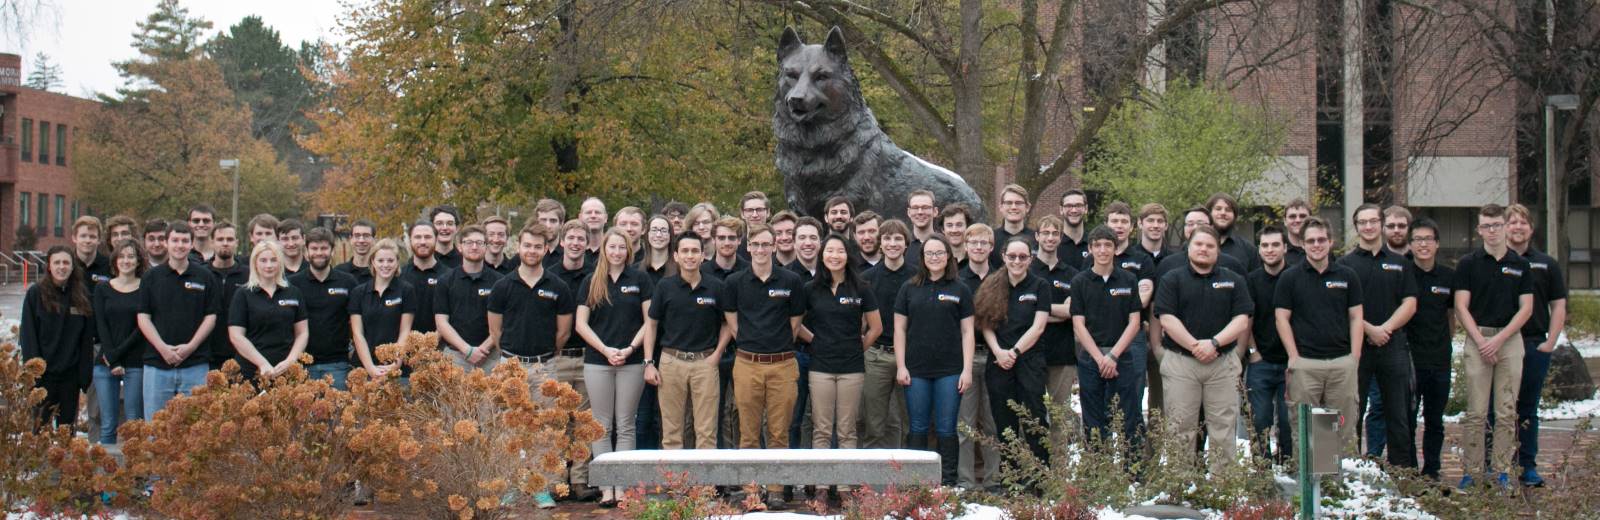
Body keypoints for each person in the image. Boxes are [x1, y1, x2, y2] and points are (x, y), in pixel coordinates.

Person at [486, 223, 577, 509]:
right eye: (527, 245)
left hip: (545, 368)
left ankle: (541, 488)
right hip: (510, 366)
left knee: (545, 430)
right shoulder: (502, 286)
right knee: (509, 430)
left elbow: (562, 332)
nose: (532, 250)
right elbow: (496, 332)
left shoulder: (557, 287)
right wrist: (511, 358)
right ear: (519, 247)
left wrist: (544, 356)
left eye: (538, 246)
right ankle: (510, 486)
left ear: (546, 249)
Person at [721, 222, 806, 510]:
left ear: (774, 246)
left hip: (782, 364)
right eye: (755, 245)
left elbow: (795, 323)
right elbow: (732, 321)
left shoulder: (791, 281)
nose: (760, 249)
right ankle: (751, 489)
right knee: (748, 431)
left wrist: (775, 344)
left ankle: (776, 489)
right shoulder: (734, 282)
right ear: (748, 247)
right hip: (747, 364)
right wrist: (750, 342)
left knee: (779, 431)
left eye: (765, 244)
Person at [1154, 225, 1252, 475]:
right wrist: (1196, 346)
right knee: (1180, 427)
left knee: (1223, 426)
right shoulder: (1172, 279)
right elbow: (1166, 318)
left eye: (1210, 246)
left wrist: (1214, 343)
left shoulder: (1233, 279)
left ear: (1218, 251)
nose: (1204, 249)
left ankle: (1223, 485)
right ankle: (1179, 484)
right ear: (1189, 247)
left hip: (1222, 363)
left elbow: (1241, 319)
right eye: (1199, 244)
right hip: (1181, 362)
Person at [1454, 203, 1533, 489]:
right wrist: (1481, 340)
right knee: (1476, 411)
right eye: (1486, 226)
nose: (1492, 231)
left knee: (1506, 410)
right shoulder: (1468, 264)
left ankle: (1501, 471)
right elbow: (1461, 306)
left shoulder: (1520, 264)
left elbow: (1526, 309)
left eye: (1497, 225)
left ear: (1506, 226)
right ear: (1479, 230)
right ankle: (1472, 472)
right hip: (1478, 338)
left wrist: (1499, 340)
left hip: (1509, 339)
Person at [798, 234, 882, 500]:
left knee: (847, 429)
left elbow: (876, 327)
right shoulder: (810, 288)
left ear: (848, 255)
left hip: (851, 368)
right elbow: (795, 323)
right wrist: (816, 342)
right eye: (830, 251)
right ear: (823, 256)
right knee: (821, 428)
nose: (834, 255)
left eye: (840, 251)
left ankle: (845, 488)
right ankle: (822, 487)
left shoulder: (861, 288)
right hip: (820, 366)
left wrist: (858, 348)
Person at [573, 229, 651, 506]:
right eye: (612, 247)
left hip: (630, 360)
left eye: (621, 247)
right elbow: (580, 324)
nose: (616, 252)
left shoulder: (640, 279)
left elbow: (649, 321)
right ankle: (607, 487)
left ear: (628, 251)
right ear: (604, 249)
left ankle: (624, 486)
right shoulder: (590, 281)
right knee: (601, 426)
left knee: (626, 424)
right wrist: (605, 350)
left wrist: (630, 348)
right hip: (598, 362)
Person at [1274, 216, 1363, 456]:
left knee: (1340, 428)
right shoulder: (1290, 278)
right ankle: (1307, 486)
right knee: (1305, 429)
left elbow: (1356, 317)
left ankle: (1338, 485)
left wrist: (1354, 357)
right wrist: (1294, 357)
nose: (1316, 245)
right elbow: (1282, 319)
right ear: (1302, 244)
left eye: (1321, 239)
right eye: (1310, 240)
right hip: (1305, 364)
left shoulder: (1347, 276)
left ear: (1331, 242)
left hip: (1341, 363)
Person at [1337, 204, 1417, 468]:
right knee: (1352, 411)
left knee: (1398, 412)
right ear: (1356, 226)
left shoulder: (1400, 263)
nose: (1368, 227)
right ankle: (1351, 467)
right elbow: (1342, 309)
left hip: (1393, 346)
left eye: (1373, 221)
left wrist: (1386, 329)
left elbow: (1410, 303)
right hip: (1357, 348)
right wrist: (1369, 329)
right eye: (1363, 222)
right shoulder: (1344, 265)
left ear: (1381, 224)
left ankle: (1402, 471)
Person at [894, 235, 975, 487]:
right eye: (929, 253)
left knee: (946, 428)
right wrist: (901, 366)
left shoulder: (960, 289)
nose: (934, 258)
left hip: (950, 370)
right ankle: (915, 483)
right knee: (917, 427)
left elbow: (968, 332)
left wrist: (967, 370)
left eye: (939, 253)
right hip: (916, 370)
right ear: (922, 257)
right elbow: (899, 330)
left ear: (948, 256)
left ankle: (948, 482)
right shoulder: (909, 288)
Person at [974, 237, 1051, 480]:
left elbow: (1038, 327)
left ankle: (1040, 479)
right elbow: (985, 323)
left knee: (1034, 419)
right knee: (1004, 424)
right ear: (1004, 257)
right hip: (998, 362)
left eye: (1022, 257)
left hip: (1029, 361)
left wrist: (1015, 352)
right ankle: (1012, 480)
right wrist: (999, 352)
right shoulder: (990, 284)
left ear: (1030, 259)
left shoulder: (1040, 286)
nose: (1017, 261)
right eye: (1012, 256)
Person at [644, 233, 730, 451]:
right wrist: (648, 363)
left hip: (705, 362)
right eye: (685, 251)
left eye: (694, 251)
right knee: (671, 432)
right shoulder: (665, 286)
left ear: (703, 256)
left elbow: (727, 324)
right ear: (676, 255)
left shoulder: (716, 287)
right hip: (671, 361)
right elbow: (651, 325)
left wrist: (718, 353)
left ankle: (703, 486)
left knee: (706, 431)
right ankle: (676, 485)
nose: (690, 256)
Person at [1502, 203, 1565, 486]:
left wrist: (1550, 341)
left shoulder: (1546, 263)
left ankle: (1527, 465)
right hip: (1500, 345)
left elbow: (1559, 305)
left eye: (1523, 222)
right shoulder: (1493, 262)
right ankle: (1498, 466)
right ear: (1505, 227)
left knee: (1527, 409)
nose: (1517, 227)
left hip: (1533, 344)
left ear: (1531, 228)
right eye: (1512, 222)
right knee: (1499, 409)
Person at [138, 222, 222, 419]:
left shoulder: (205, 276)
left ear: (192, 244)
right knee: (155, 430)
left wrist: (190, 347)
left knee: (195, 429)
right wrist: (163, 349)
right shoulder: (151, 277)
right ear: (167, 243)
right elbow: (143, 317)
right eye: (175, 240)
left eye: (185, 241)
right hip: (157, 364)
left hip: (195, 364)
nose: (179, 245)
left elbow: (211, 316)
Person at [1071, 227, 1144, 446]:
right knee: (1093, 419)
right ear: (1091, 249)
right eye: (1098, 245)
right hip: (1090, 358)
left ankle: (1133, 473)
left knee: (1129, 418)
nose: (1103, 250)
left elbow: (1134, 322)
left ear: (1115, 249)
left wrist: (1112, 356)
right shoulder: (1080, 281)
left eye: (1108, 245)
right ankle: (1097, 474)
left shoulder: (1128, 280)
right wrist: (1099, 358)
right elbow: (1078, 324)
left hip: (1122, 356)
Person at [21, 246, 94, 429]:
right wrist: (34, 373)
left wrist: (84, 376)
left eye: (66, 263)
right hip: (43, 377)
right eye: (57, 262)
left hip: (70, 376)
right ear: (49, 266)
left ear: (72, 267)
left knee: (66, 432)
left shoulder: (81, 296)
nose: (61, 267)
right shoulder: (36, 294)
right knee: (40, 430)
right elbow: (28, 336)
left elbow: (86, 340)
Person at [1405, 219, 1454, 480]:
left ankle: (1432, 469)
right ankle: (1410, 468)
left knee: (1435, 420)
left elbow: (1453, 315)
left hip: (1439, 360)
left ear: (1437, 243)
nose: (1423, 244)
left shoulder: (1448, 277)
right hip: (1411, 360)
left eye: (1428, 239)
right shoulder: (1403, 273)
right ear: (1410, 244)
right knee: (1408, 419)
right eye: (1418, 239)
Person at [860, 219, 914, 449]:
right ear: (880, 244)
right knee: (873, 421)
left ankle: (902, 479)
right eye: (887, 238)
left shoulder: (917, 277)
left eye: (898, 238)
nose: (893, 243)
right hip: (876, 355)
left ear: (906, 243)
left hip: (911, 357)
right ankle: (869, 481)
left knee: (906, 421)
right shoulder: (867, 278)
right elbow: (861, 320)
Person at [955, 224, 1000, 490]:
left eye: (984, 243)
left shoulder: (1000, 278)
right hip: (967, 360)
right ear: (966, 246)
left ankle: (994, 481)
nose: (979, 248)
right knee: (966, 426)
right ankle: (966, 481)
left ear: (991, 247)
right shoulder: (959, 280)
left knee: (992, 424)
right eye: (974, 243)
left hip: (996, 358)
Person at [228, 241, 309, 382]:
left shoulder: (293, 292)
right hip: (251, 372)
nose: (269, 265)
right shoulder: (243, 294)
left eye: (273, 260)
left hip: (286, 372)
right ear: (255, 263)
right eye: (263, 260)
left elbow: (302, 333)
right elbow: (236, 336)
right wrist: (262, 364)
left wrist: (290, 361)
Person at [1244, 225, 1292, 463]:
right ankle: (1262, 470)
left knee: (1288, 421)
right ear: (1259, 249)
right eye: (1265, 245)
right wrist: (1252, 352)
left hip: (1290, 363)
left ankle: (1290, 467)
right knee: (1259, 419)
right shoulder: (1251, 280)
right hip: (1260, 362)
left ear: (1285, 247)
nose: (1270, 250)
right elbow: (1246, 320)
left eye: (1275, 245)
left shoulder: (1296, 277)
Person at [92, 239, 147, 443]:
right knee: (107, 424)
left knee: (134, 422)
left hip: (135, 362)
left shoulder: (145, 288)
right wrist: (111, 358)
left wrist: (117, 355)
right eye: (122, 256)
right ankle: (106, 474)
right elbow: (101, 325)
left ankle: (134, 473)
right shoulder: (102, 289)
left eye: (131, 256)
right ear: (115, 260)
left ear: (139, 260)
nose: (126, 260)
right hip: (105, 363)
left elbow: (142, 328)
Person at [1030, 215, 1078, 448]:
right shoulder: (1025, 269)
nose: (1050, 238)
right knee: (1031, 416)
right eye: (1045, 233)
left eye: (1055, 234)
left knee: (1060, 418)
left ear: (1060, 238)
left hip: (1063, 354)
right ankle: (1033, 472)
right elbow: (1021, 311)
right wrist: (1056, 312)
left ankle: (1059, 477)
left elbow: (1073, 311)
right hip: (1029, 354)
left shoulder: (1071, 274)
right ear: (1037, 236)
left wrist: (1037, 308)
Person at [290, 228, 358, 389]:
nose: (319, 253)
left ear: (332, 251)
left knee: (337, 414)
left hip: (338, 365)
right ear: (306, 251)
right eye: (314, 248)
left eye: (324, 248)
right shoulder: (293, 284)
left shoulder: (347, 282)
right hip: (302, 366)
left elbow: (356, 321)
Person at [434, 225, 504, 372]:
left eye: (479, 243)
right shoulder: (445, 281)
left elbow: (504, 322)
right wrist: (467, 350)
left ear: (486, 247)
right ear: (460, 246)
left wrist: (482, 349)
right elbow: (441, 323)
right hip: (455, 356)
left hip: (490, 357)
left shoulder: (501, 282)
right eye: (468, 242)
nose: (474, 247)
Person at [348, 239, 415, 379]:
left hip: (396, 369)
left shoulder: (406, 290)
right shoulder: (358, 292)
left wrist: (396, 363)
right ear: (373, 261)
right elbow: (357, 333)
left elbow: (404, 331)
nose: (385, 265)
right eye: (381, 260)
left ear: (397, 262)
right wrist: (370, 368)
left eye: (390, 261)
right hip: (364, 368)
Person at [207, 221, 250, 370]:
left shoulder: (249, 275)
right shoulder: (201, 274)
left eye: (230, 239)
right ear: (212, 242)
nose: (225, 243)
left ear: (237, 242)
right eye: (220, 239)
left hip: (242, 355)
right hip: (207, 357)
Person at [400, 222, 449, 335]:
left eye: (427, 237)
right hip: (404, 347)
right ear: (410, 240)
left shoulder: (449, 276)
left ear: (436, 239)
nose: (422, 242)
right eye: (417, 237)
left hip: (441, 347)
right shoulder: (399, 276)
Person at [1207, 193, 1261, 273]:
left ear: (1234, 216)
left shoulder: (1248, 250)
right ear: (1208, 214)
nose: (1223, 213)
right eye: (1218, 209)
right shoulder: (1192, 246)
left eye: (1228, 210)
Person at [991, 184, 1035, 265]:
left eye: (1018, 203)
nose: (1013, 207)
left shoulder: (1037, 239)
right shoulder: (990, 239)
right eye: (1009, 203)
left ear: (1027, 207)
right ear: (1001, 207)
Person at [704, 217, 749, 281]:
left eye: (731, 238)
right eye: (721, 238)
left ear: (739, 240)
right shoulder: (701, 273)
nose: (726, 243)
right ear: (713, 240)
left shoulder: (751, 271)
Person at [72, 216, 111, 288]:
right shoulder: (67, 265)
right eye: (83, 236)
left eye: (92, 237)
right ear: (74, 238)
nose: (87, 241)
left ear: (99, 239)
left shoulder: (110, 266)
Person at [335, 219, 378, 284]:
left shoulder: (381, 272)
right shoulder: (338, 272)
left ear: (374, 240)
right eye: (357, 236)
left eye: (366, 235)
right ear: (350, 239)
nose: (361, 240)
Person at [637, 215, 676, 286]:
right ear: (647, 234)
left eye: (664, 231)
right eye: (654, 230)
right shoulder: (635, 270)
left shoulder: (680, 270)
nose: (658, 235)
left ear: (670, 235)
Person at [1057, 189, 1090, 268]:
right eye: (1068, 206)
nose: (1074, 210)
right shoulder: (1053, 244)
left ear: (1086, 209)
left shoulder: (1094, 243)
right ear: (1061, 210)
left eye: (1078, 205)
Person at [1282, 199, 1311, 266]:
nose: (1298, 220)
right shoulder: (1277, 250)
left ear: (1310, 220)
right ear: (1285, 221)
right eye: (1292, 216)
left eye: (1303, 216)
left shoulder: (1321, 249)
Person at [580, 197, 610, 262]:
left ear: (606, 218)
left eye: (597, 212)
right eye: (588, 212)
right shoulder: (571, 251)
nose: (593, 216)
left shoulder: (614, 250)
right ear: (580, 217)